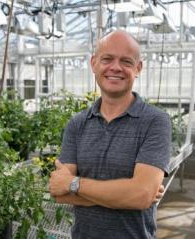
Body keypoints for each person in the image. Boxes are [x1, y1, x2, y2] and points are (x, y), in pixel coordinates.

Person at [49, 30, 172, 239]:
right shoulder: (77, 124)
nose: (115, 67)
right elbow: (59, 194)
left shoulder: (155, 121)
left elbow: (141, 196)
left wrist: (74, 184)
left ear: (138, 68)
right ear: (94, 63)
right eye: (107, 59)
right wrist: (129, 194)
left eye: (126, 61)